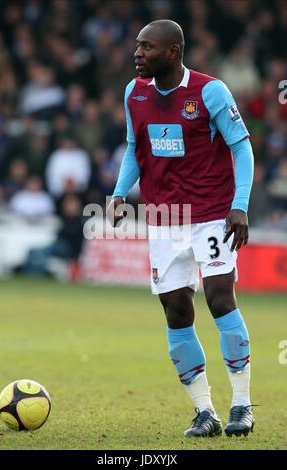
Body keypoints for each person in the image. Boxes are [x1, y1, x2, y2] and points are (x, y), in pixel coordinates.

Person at [107, 20, 254, 438]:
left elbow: (242, 149)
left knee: (220, 297)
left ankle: (241, 405)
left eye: (146, 47)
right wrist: (119, 194)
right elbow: (136, 149)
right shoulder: (134, 93)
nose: (137, 54)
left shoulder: (210, 92)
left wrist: (238, 206)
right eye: (136, 46)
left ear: (172, 52)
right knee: (175, 309)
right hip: (165, 220)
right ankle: (204, 412)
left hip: (211, 213)